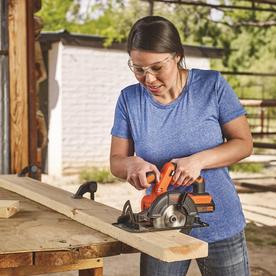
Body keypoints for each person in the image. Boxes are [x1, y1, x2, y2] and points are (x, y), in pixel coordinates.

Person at [110, 15, 253, 276]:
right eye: (138, 68)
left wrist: (198, 160)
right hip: (161, 225)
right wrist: (132, 164)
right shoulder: (129, 100)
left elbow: (244, 144)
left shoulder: (212, 86)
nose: (148, 78)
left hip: (220, 222)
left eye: (156, 67)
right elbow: (116, 161)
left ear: (176, 55)